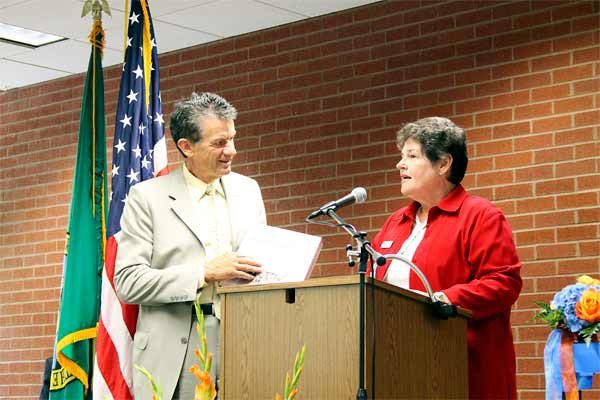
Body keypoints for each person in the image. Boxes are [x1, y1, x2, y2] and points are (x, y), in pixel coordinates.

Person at [114, 92, 266, 400]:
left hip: (245, 343)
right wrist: (203, 273)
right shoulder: (147, 197)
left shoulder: (249, 191)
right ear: (186, 147)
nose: (231, 151)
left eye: (233, 138)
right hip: (176, 351)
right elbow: (128, 282)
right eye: (219, 143)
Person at [371, 117, 522, 399]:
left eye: (411, 156)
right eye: (401, 156)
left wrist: (445, 299)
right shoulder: (395, 223)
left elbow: (503, 283)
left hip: (462, 370)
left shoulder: (480, 216)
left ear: (443, 164)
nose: (399, 164)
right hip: (400, 368)